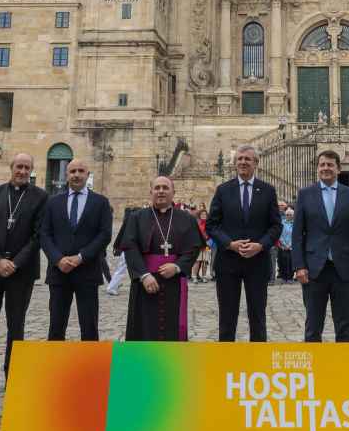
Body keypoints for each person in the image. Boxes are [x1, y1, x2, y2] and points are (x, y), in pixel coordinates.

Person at [0, 153, 48, 395]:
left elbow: (38, 235)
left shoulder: (40, 197)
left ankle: (12, 375)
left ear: (32, 170)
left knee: (16, 326)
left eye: (27, 167)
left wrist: (14, 262)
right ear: (11, 168)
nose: (22, 171)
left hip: (21, 273)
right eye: (19, 167)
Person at [206, 146, 281, 342]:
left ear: (256, 163)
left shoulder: (267, 191)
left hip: (257, 262)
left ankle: (257, 359)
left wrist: (261, 245)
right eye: (239, 159)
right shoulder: (223, 190)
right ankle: (225, 358)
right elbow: (212, 225)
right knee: (227, 316)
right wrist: (229, 244)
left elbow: (275, 226)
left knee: (257, 316)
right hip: (228, 262)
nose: (243, 162)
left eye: (248, 159)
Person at [291, 149, 349, 342]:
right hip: (314, 269)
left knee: (345, 323)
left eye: (330, 165)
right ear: (317, 168)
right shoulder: (305, 194)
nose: (326, 168)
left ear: (338, 169)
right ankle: (315, 368)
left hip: (344, 268)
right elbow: (297, 234)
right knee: (313, 324)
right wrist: (299, 266)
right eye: (322, 164)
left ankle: (344, 368)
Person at [119, 175, 203, 340]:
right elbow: (130, 248)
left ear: (173, 192)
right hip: (144, 282)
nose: (161, 191)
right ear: (150, 192)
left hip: (174, 281)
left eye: (165, 188)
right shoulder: (137, 217)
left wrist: (177, 266)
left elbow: (193, 248)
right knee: (143, 328)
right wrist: (144, 275)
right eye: (157, 188)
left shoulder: (186, 218)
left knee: (173, 328)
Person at [40, 158, 112, 343]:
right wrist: (58, 259)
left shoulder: (101, 202)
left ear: (87, 174)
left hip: (87, 272)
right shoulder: (53, 202)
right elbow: (45, 234)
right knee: (56, 326)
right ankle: (56, 368)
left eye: (81, 171)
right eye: (72, 171)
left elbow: (104, 235)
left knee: (89, 327)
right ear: (67, 175)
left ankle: (90, 369)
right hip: (59, 272)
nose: (77, 175)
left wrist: (81, 257)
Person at [275, 206, 294, 284]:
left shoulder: (295, 223)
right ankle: (283, 277)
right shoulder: (282, 223)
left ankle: (290, 277)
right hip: (282, 246)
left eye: (290, 215)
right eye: (287, 214)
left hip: (291, 246)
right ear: (285, 215)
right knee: (282, 261)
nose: (289, 216)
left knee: (291, 262)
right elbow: (280, 234)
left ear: (293, 215)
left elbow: (295, 235)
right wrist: (284, 244)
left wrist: (290, 245)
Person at [193, 207, 212, 283]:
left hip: (207, 245)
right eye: (202, 214)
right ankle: (194, 276)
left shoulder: (209, 224)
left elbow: (211, 234)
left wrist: (209, 242)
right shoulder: (197, 224)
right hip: (199, 245)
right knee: (197, 261)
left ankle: (204, 276)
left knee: (205, 261)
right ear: (199, 215)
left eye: (205, 214)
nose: (204, 215)